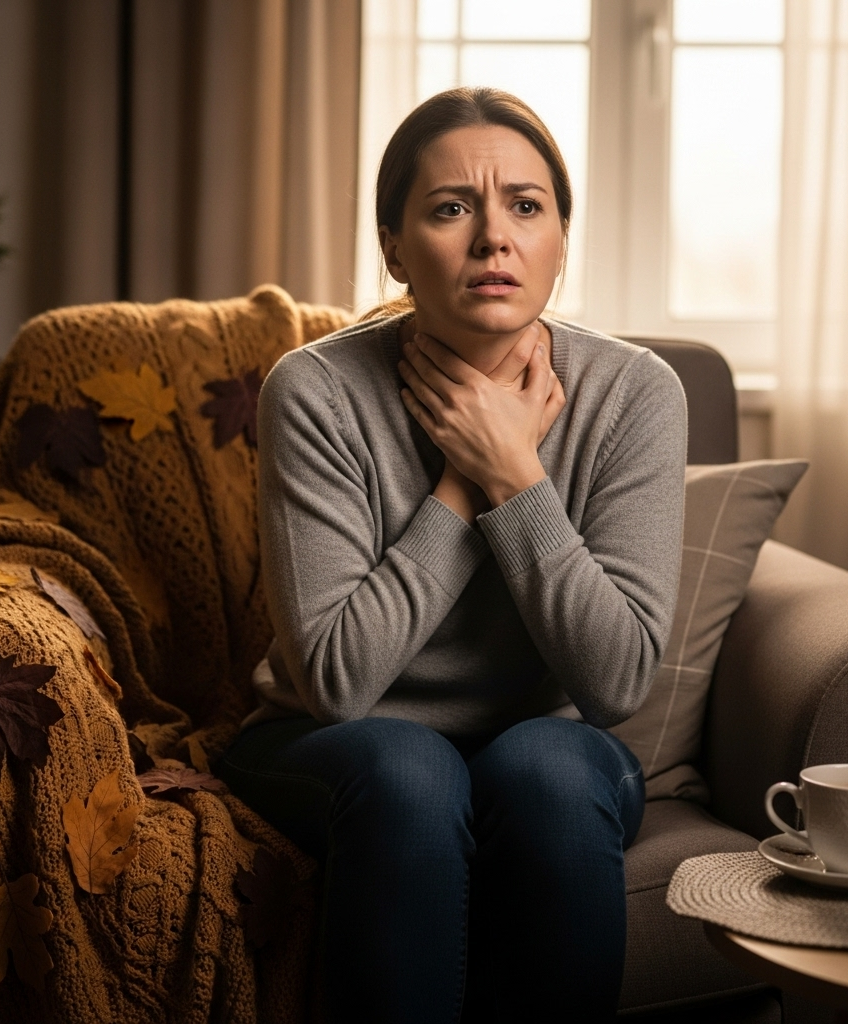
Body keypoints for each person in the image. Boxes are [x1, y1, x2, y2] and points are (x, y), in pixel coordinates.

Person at [219, 86, 687, 1023]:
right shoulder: (315, 390)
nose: (492, 239)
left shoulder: (635, 393)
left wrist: (521, 482)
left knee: (550, 771)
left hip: (546, 744)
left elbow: (617, 681)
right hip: (330, 741)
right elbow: (341, 684)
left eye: (525, 205)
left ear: (560, 238)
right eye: (449, 208)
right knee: (409, 771)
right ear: (393, 247)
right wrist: (466, 479)